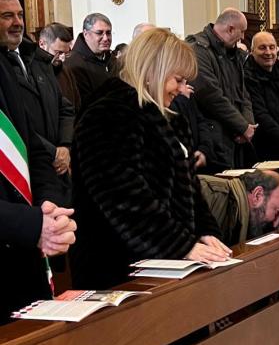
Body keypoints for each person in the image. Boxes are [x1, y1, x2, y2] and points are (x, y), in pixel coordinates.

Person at [70, 28, 231, 290]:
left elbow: (191, 190)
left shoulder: (168, 119)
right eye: (177, 80)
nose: (181, 90)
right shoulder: (109, 114)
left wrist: (206, 232)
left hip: (167, 262)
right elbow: (123, 197)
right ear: (152, 71)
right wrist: (180, 244)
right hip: (117, 267)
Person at [0, 52, 76, 322]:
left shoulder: (4, 67)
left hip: (23, 267)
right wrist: (32, 225)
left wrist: (49, 207)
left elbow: (32, 147)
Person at [0, 0, 74, 203]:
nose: (17, 22)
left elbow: (64, 107)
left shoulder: (38, 59)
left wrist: (65, 146)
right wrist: (53, 152)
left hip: (57, 172)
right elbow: (16, 125)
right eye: (7, 16)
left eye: (20, 15)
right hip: (23, 174)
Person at [187, 8, 256, 169]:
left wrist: (247, 124)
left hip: (236, 137)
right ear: (230, 29)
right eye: (242, 31)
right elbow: (210, 95)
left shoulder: (233, 52)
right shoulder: (199, 50)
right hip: (214, 138)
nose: (243, 37)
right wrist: (241, 126)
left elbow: (243, 93)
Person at [199, 169, 279, 245]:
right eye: (277, 212)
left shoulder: (246, 214)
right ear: (257, 196)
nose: (276, 223)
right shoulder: (207, 192)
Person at [244, 31, 279, 160]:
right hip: (265, 147)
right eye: (262, 48)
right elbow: (261, 116)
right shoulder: (247, 77)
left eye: (272, 47)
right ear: (252, 51)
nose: (268, 52)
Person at [67, 12, 117, 112]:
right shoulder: (73, 65)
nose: (106, 38)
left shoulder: (112, 59)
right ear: (86, 34)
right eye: (99, 33)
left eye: (108, 33)